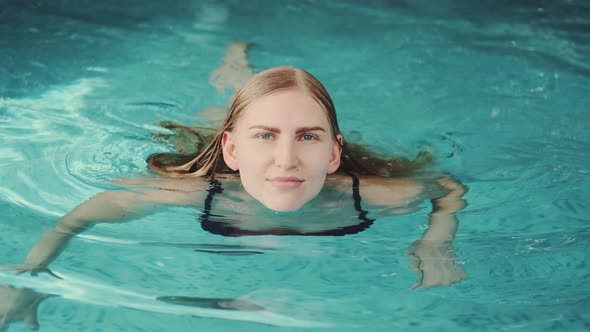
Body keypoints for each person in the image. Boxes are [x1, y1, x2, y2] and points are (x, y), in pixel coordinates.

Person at [7, 43, 467, 297]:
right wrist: (27, 275)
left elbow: (444, 187)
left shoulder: (368, 194)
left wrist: (435, 240)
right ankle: (233, 60)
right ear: (230, 150)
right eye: (265, 137)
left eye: (308, 137)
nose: (286, 159)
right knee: (222, 101)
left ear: (333, 154)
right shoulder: (195, 191)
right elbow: (78, 218)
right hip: (214, 139)